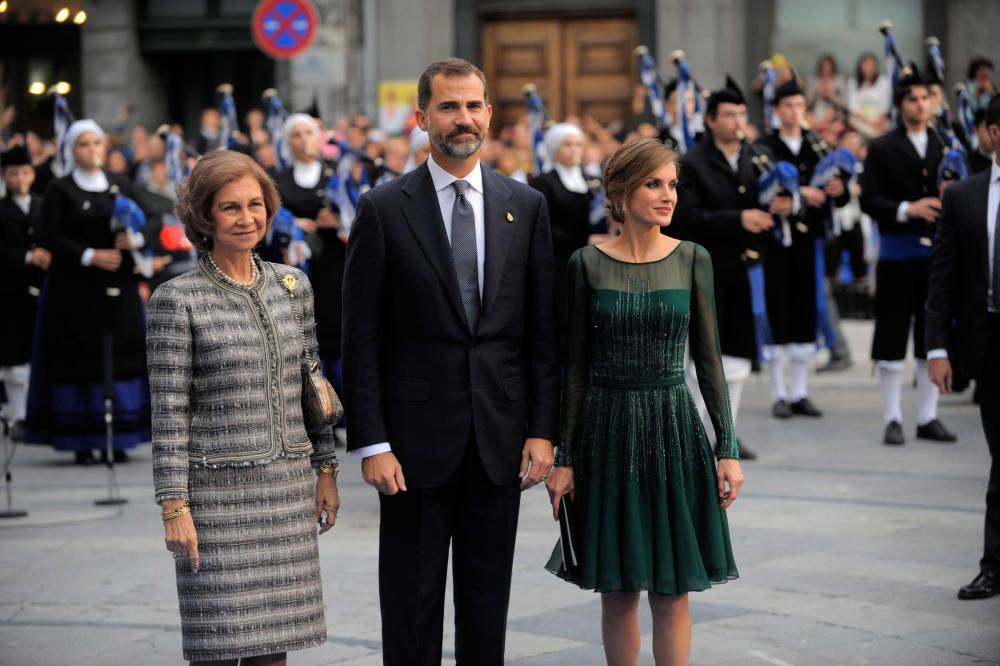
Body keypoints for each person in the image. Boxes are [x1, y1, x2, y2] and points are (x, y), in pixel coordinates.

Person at [342, 57, 560, 665]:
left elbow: (542, 334)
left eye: (472, 106)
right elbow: (360, 338)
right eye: (447, 106)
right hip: (411, 448)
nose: (462, 119)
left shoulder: (527, 206)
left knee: (487, 604)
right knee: (410, 606)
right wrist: (372, 443)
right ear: (420, 118)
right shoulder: (383, 209)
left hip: (501, 441)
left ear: (489, 114)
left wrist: (545, 432)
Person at [546, 137, 742, 665]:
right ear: (621, 190)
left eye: (672, 184)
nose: (667, 195)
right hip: (605, 432)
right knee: (617, 589)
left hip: (675, 430)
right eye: (654, 183)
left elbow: (709, 362)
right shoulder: (585, 263)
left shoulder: (693, 258)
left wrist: (728, 447)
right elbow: (574, 371)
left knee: (673, 589)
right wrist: (564, 458)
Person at [148, 150, 340, 664]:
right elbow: (168, 414)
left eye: (256, 204)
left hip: (285, 495)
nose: (246, 218)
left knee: (275, 648)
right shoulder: (177, 299)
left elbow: (312, 385)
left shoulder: (291, 285)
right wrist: (175, 508)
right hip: (214, 503)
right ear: (203, 216)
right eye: (230, 207)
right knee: (217, 646)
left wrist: (325, 468)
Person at [24, 120, 152, 464]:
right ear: (71, 149)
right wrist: (89, 255)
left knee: (123, 354)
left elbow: (153, 217)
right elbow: (49, 235)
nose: (92, 150)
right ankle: (82, 438)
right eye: (84, 144)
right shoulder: (60, 189)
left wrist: (135, 238)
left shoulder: (119, 185)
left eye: (97, 143)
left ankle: (122, 435)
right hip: (74, 290)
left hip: (118, 287)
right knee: (80, 358)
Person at [672, 76, 770, 460]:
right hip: (704, 271)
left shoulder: (754, 157)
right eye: (729, 114)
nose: (738, 122)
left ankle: (726, 434)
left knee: (738, 357)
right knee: (702, 359)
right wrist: (739, 219)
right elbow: (687, 217)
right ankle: (696, 434)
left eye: (742, 114)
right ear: (710, 119)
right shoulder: (692, 162)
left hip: (744, 272)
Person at [926, 95, 1000, 601]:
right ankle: (994, 565)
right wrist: (937, 349)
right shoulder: (964, 196)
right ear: (991, 133)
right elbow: (944, 276)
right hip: (990, 346)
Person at [860, 69, 957, 446]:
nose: (921, 104)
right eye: (913, 99)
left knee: (931, 334)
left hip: (937, 254)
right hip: (897, 253)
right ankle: (892, 417)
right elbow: (869, 200)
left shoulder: (947, 143)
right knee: (891, 333)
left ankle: (929, 416)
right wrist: (907, 209)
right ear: (900, 106)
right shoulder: (883, 147)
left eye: (925, 98)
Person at [756, 78, 848, 419]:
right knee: (779, 309)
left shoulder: (815, 145)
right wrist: (800, 195)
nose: (795, 112)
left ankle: (800, 392)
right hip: (777, 244)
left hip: (809, 242)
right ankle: (779, 393)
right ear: (776, 110)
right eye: (788, 106)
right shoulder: (764, 147)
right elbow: (760, 190)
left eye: (799, 105)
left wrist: (840, 187)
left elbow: (838, 188)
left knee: (805, 310)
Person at [273, 114, 346, 435]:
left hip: (335, 264)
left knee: (336, 333)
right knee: (302, 334)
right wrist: (292, 225)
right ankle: (307, 413)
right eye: (297, 135)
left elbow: (359, 214)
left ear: (319, 137)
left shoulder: (335, 175)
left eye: (309, 133)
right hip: (297, 266)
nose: (304, 141)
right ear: (289, 142)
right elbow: (270, 217)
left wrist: (340, 220)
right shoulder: (280, 178)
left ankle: (340, 413)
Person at [530, 122, 599, 354]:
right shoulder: (542, 182)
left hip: (594, 264)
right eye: (567, 144)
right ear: (554, 148)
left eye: (578, 144)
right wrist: (583, 240)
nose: (574, 150)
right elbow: (543, 226)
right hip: (561, 265)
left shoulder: (594, 182)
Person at [0, 145, 50, 441]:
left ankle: (38, 413)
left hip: (41, 287)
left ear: (33, 174)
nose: (20, 178)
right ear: (5, 176)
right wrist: (26, 256)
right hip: (9, 291)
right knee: (13, 354)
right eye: (13, 173)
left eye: (25, 172)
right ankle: (19, 415)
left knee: (37, 350)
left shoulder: (43, 206)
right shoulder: (1, 210)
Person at [847, 52, 892, 139]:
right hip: (861, 120)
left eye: (872, 66)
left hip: (880, 119)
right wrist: (870, 122)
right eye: (866, 66)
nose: (869, 69)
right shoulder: (853, 82)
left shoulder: (883, 81)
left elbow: (885, 104)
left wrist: (878, 121)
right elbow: (853, 107)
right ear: (860, 67)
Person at [806, 53, 847, 128]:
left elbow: (844, 104)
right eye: (824, 66)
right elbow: (807, 103)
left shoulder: (839, 80)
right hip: (815, 117)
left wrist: (831, 95)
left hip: (835, 117)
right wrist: (816, 91)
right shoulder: (813, 80)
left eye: (828, 65)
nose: (826, 68)